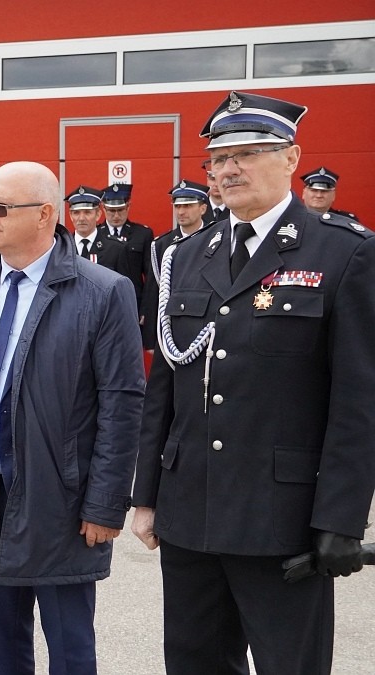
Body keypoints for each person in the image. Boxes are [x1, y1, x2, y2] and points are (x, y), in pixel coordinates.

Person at [132, 90, 375, 674]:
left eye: (247, 152)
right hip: (191, 510)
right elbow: (165, 383)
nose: (228, 169)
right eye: (217, 158)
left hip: (282, 517)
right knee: (193, 663)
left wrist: (341, 519)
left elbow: (358, 400)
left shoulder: (343, 253)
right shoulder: (186, 256)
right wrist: (145, 495)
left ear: (291, 158)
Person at [0, 161, 144, 675]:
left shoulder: (103, 291)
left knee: (70, 648)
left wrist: (106, 503)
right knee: (0, 643)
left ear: (46, 214)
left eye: (0, 206)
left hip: (63, 500)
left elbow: (122, 404)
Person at [140, 180, 210, 350]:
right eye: (177, 206)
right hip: (171, 327)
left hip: (206, 325)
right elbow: (153, 292)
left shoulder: (216, 239)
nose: (181, 211)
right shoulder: (161, 245)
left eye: (188, 206)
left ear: (203, 208)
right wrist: (151, 339)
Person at [66, 185, 138, 287]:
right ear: (70, 215)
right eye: (76, 213)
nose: (81, 218)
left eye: (87, 212)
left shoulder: (116, 248)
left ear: (98, 214)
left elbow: (124, 289)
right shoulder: (62, 248)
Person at [98, 182, 152, 306]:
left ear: (128, 206)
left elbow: (150, 277)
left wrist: (146, 308)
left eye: (120, 210)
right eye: (111, 210)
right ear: (103, 208)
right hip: (103, 303)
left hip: (133, 302)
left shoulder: (142, 234)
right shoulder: (96, 235)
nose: (116, 215)